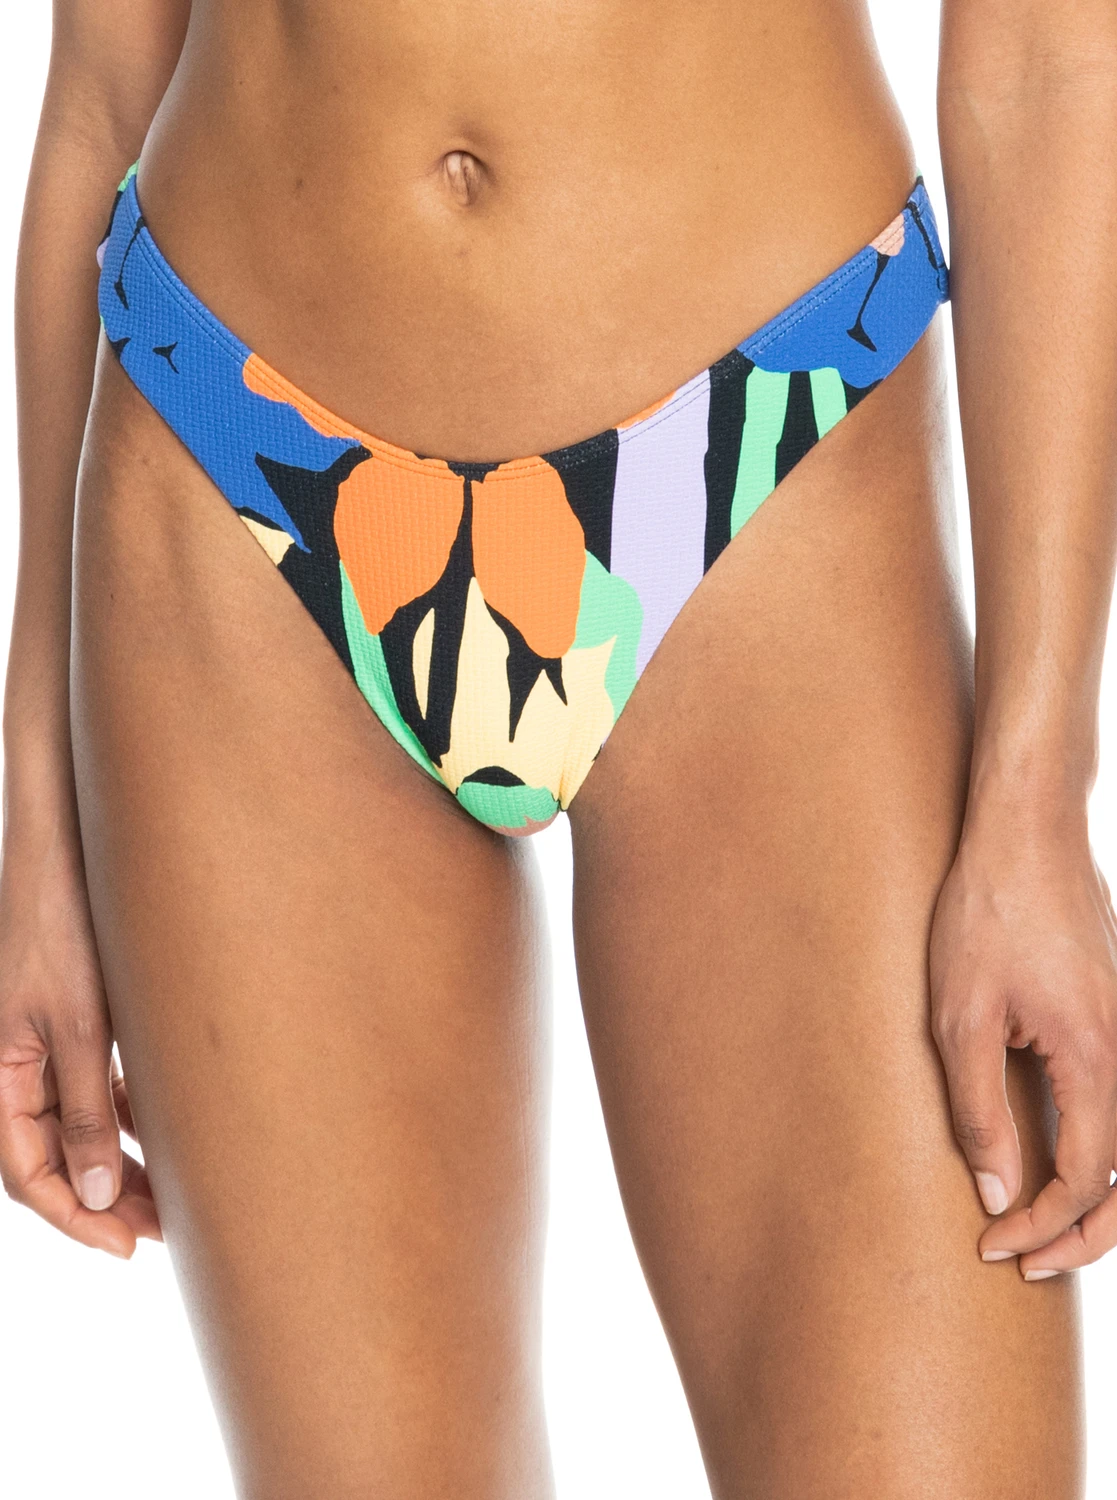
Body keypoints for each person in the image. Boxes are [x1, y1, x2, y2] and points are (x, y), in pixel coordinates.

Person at [2, 0, 1116, 1493]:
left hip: (763, 447)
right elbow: (101, 78)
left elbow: (1049, 61)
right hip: (233, 448)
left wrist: (1039, 802)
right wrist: (39, 805)